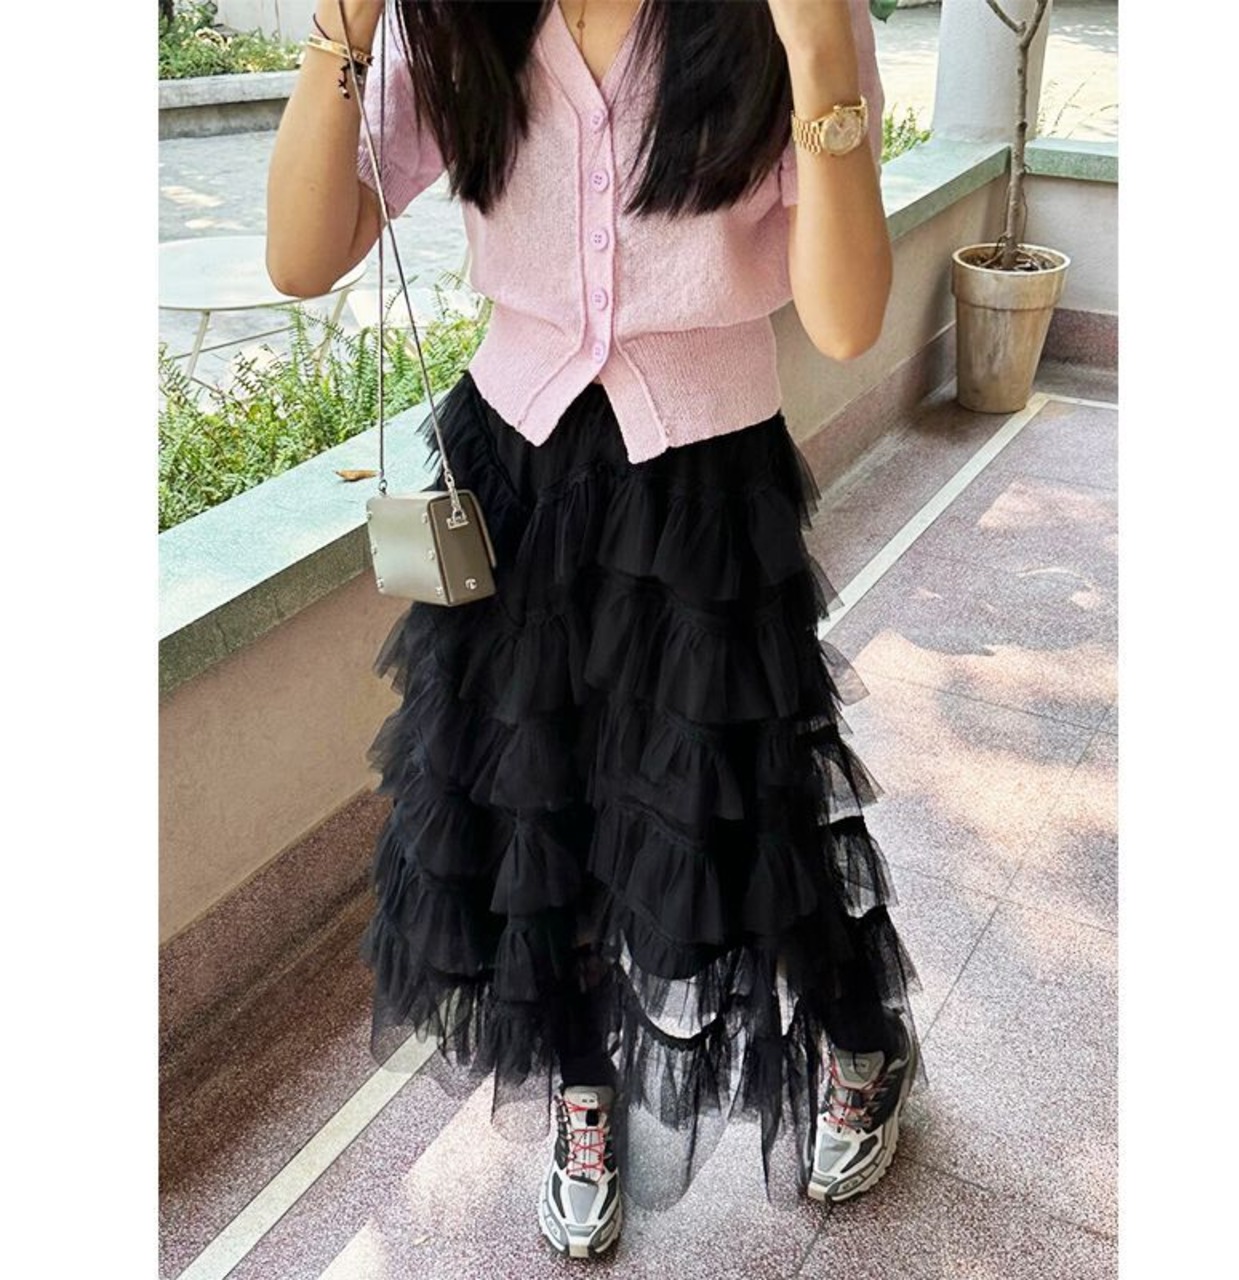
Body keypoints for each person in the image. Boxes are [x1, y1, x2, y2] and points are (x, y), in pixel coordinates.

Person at [267, 0, 925, 1260]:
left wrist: (817, 55)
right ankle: (579, 1080)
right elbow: (302, 257)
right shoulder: (458, 19)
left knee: (748, 805)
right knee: (535, 807)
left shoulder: (778, 21)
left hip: (703, 481)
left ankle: (857, 1036)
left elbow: (844, 321)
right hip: (507, 470)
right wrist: (337, 33)